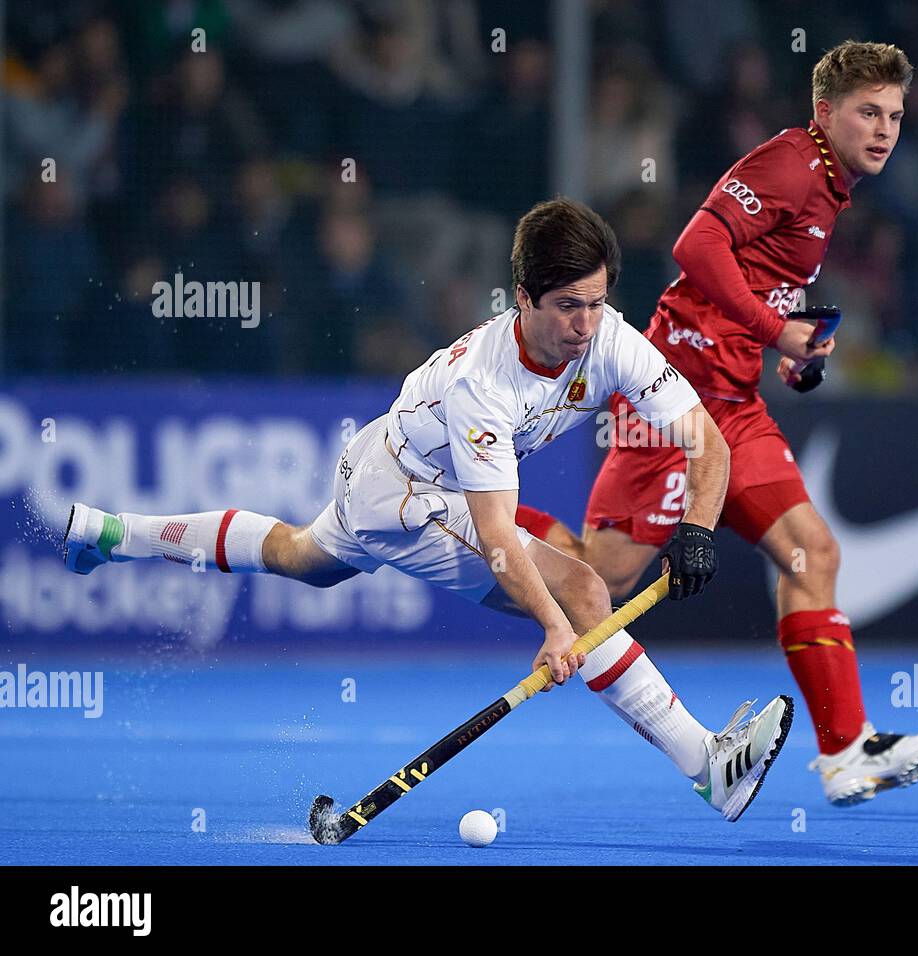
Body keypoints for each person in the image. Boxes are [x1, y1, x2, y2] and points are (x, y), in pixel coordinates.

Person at [62, 198, 792, 822]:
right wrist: (550, 626)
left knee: (300, 558)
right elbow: (499, 535)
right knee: (584, 593)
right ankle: (708, 767)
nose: (584, 324)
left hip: (383, 455)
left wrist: (696, 527)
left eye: (596, 303)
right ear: (523, 296)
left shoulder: (612, 340)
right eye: (567, 306)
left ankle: (113, 534)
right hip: (402, 497)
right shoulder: (487, 385)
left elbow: (707, 441)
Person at [515, 42, 918, 807]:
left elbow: (755, 281)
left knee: (810, 552)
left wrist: (782, 346)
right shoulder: (790, 162)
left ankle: (846, 751)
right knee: (602, 580)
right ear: (824, 114)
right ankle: (467, 518)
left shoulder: (831, 187)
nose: (884, 130)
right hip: (675, 396)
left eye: (894, 116)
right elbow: (695, 246)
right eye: (867, 113)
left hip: (735, 401)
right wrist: (771, 328)